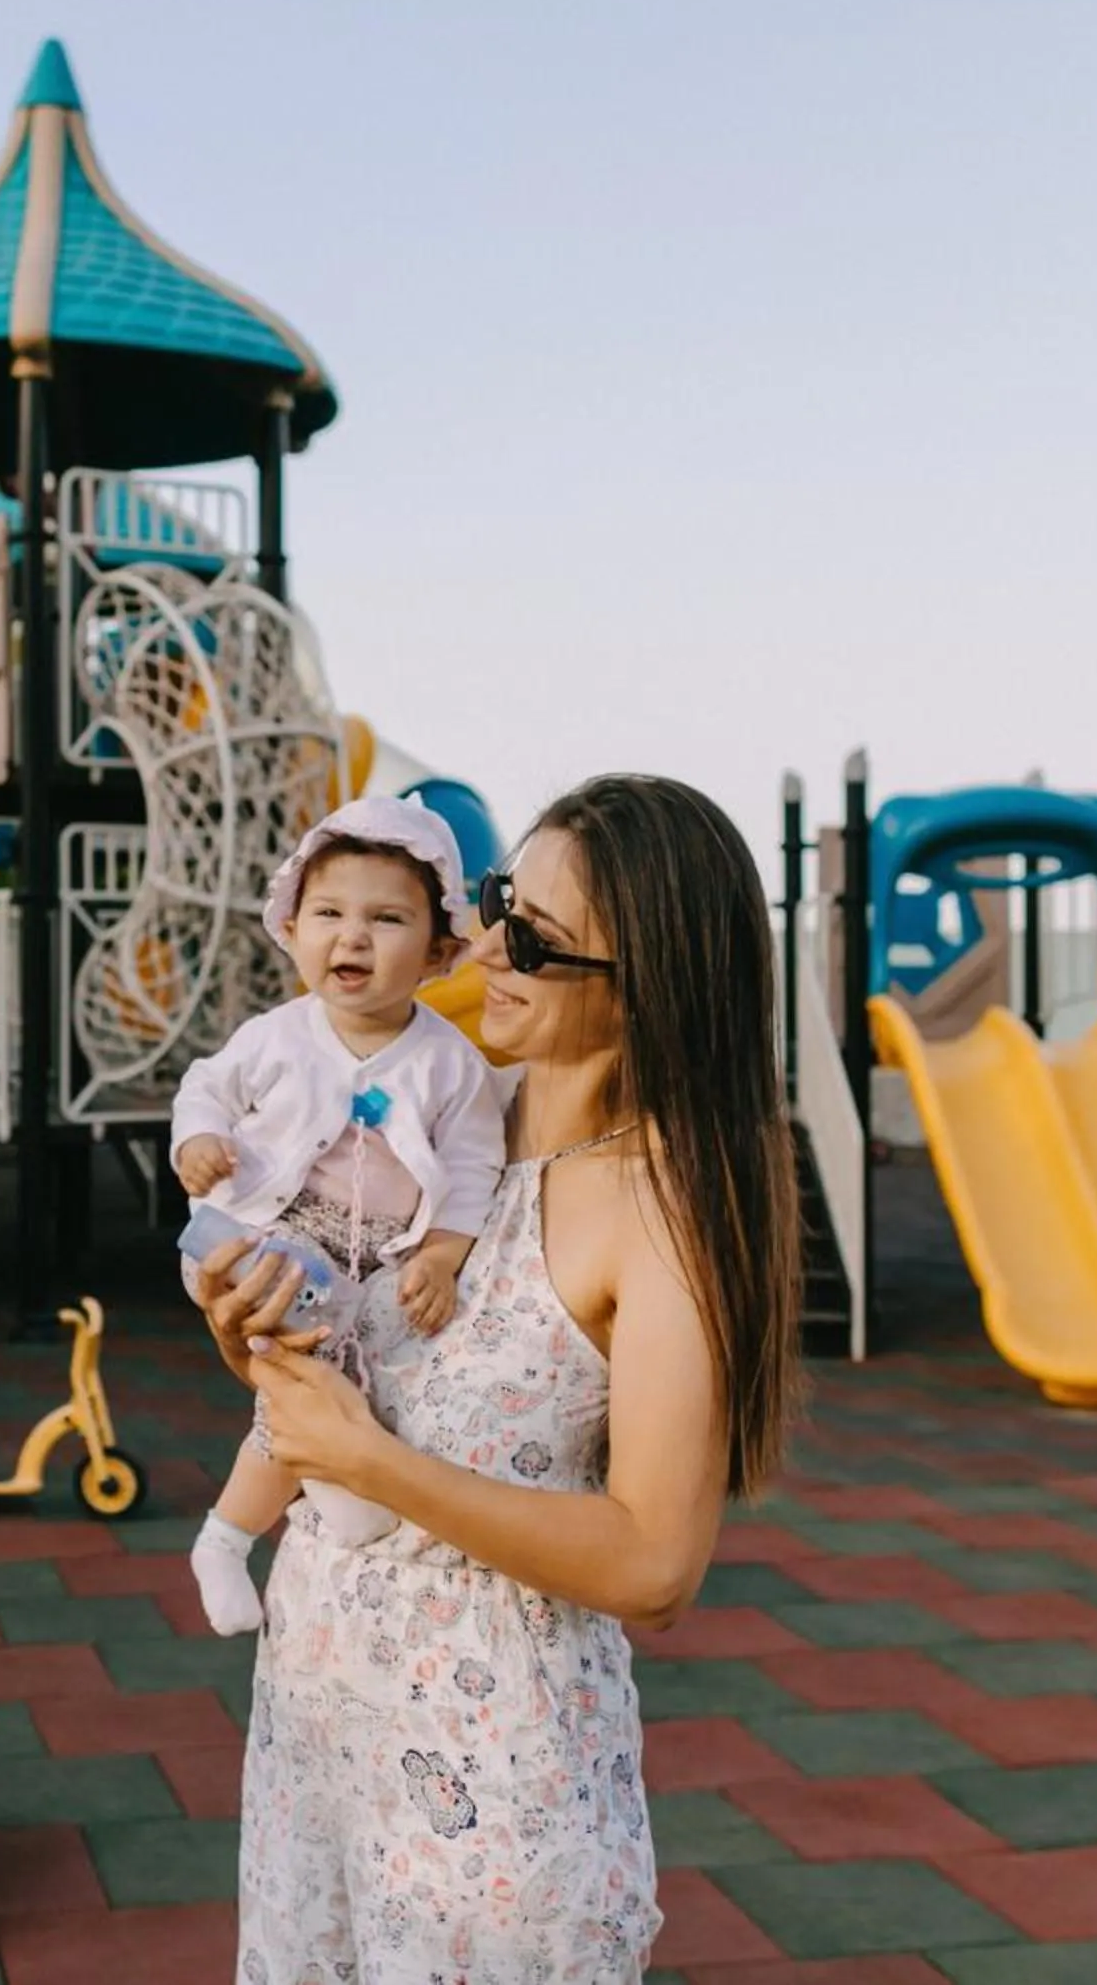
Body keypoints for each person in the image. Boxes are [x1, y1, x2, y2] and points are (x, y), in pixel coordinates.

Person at [197, 773, 803, 1984]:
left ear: (654, 987)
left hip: (492, 1804)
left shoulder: (661, 1205)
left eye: (536, 937)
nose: (482, 944)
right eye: (495, 902)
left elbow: (655, 1564)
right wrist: (255, 1337)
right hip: (320, 1740)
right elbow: (345, 1370)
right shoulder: (443, 1108)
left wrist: (376, 1464)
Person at [170, 793, 508, 1638]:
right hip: (251, 1239)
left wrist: (438, 1254)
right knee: (311, 1365)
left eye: (385, 919)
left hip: (366, 1261)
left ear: (436, 952)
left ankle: (230, 1530)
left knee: (354, 1367)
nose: (351, 937)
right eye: (328, 913)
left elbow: (474, 1166)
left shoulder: (448, 1063)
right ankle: (298, 1497)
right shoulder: (275, 1036)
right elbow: (204, 1087)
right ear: (294, 928)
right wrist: (199, 1142)